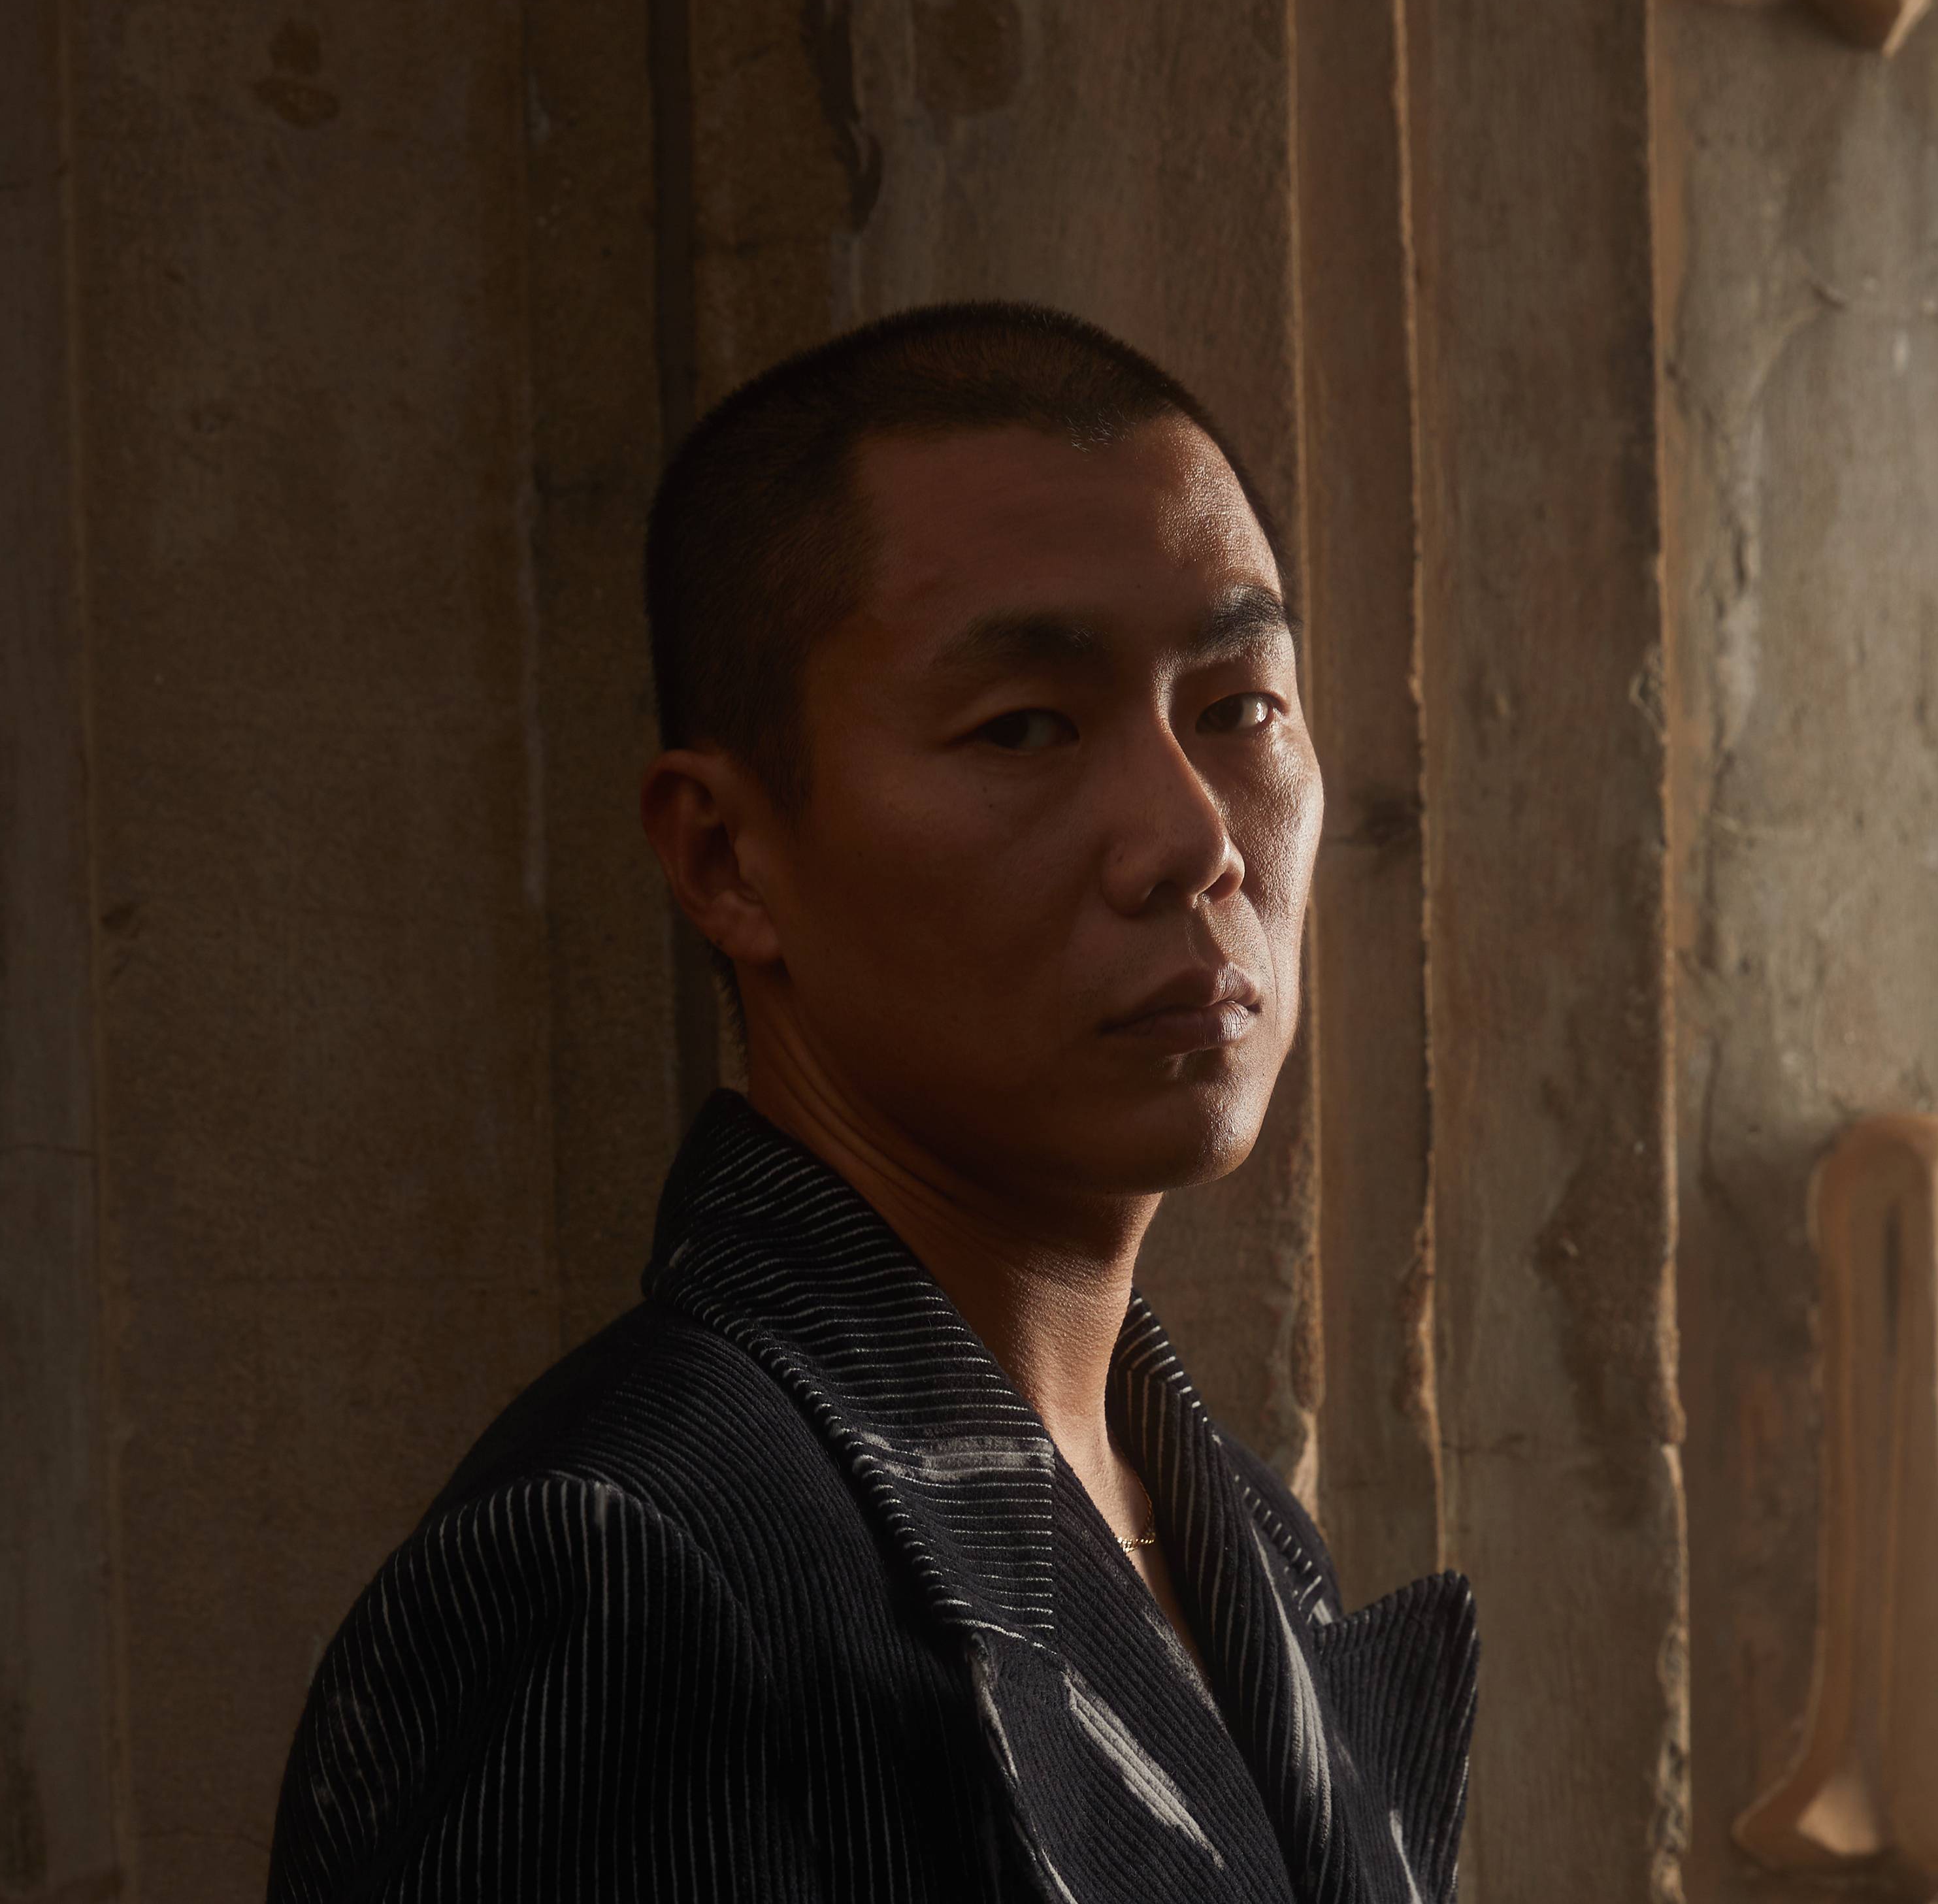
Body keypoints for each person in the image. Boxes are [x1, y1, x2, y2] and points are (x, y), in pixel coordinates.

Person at [267, 304, 1476, 1903]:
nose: (1194, 841)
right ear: (725, 856)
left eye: (1238, 708)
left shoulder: (1233, 1536)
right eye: (1026, 726)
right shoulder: (640, 1571)